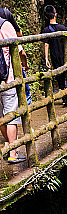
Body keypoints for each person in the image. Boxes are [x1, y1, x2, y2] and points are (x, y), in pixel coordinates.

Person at [42, 5, 67, 105]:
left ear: (46, 17)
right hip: (64, 55)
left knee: (59, 75)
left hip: (54, 55)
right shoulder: (62, 28)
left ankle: (64, 96)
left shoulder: (46, 30)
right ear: (56, 15)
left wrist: (46, 58)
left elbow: (46, 45)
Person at [0, 15, 25, 162]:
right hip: (6, 77)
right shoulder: (5, 25)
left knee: (1, 116)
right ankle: (13, 153)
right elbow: (20, 50)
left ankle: (9, 146)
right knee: (11, 116)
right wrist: (24, 64)